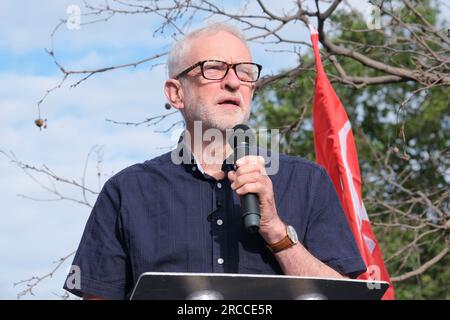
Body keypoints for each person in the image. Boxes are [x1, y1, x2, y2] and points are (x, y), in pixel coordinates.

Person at [63, 23, 366, 300]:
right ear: (176, 93)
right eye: (215, 69)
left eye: (245, 71)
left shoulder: (308, 182)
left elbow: (344, 296)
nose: (233, 82)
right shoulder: (127, 192)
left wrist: (275, 231)